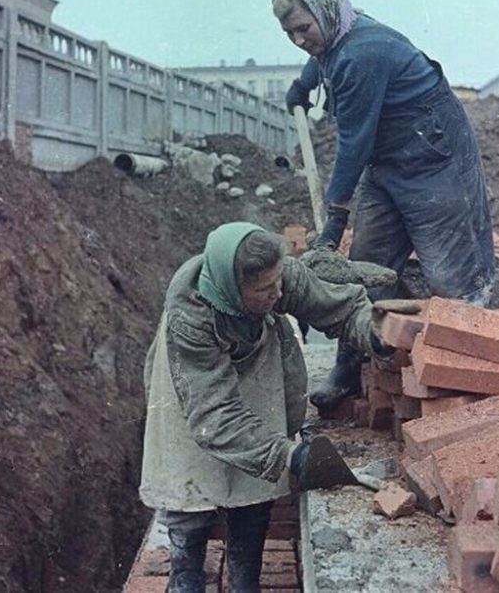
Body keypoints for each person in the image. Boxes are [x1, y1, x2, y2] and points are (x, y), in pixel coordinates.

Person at [272, 0, 495, 410]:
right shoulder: (336, 35)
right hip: (387, 161)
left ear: (325, 13)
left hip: (434, 158)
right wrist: (305, 83)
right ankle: (349, 369)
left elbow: (353, 143)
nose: (299, 39)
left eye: (304, 28)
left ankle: (476, 379)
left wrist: (334, 219)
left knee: (451, 276)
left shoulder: (362, 53)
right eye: (289, 33)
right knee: (366, 267)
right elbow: (323, 54)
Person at [139, 221, 391, 593]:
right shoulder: (189, 320)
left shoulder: (277, 273)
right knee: (188, 487)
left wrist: (376, 333)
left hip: (256, 374)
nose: (278, 292)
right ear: (234, 289)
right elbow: (214, 416)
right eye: (263, 290)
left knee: (255, 488)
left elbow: (340, 307)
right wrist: (290, 455)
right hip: (195, 392)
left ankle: (246, 581)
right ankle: (186, 575)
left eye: (279, 283)